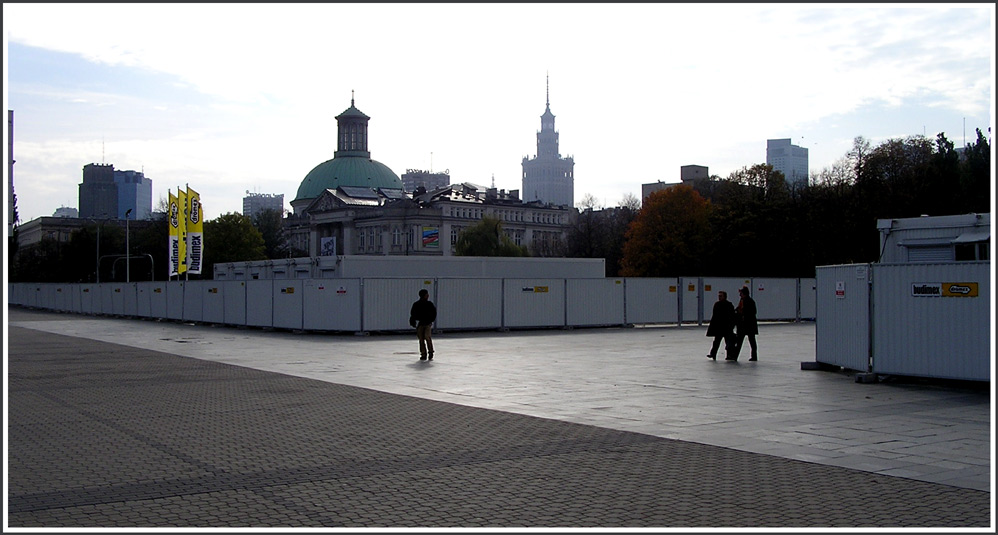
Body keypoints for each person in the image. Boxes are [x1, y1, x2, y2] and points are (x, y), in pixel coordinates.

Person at [730, 286, 758, 361]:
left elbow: (752, 312)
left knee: (742, 341)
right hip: (747, 325)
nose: (740, 295)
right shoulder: (744, 300)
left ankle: (735, 356)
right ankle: (752, 356)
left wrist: (740, 314)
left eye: (741, 293)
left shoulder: (748, 301)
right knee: (749, 341)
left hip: (746, 324)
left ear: (744, 294)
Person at [705, 290, 735, 360]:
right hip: (720, 327)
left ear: (725, 297)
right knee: (717, 342)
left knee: (727, 342)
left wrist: (731, 326)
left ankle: (728, 355)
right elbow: (714, 316)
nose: (719, 297)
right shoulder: (717, 304)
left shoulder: (728, 305)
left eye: (720, 296)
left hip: (726, 327)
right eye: (719, 296)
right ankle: (713, 354)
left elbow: (731, 316)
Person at [409, 288, 437, 361]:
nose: (428, 296)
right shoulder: (417, 304)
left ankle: (430, 352)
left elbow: (434, 313)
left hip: (427, 323)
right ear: (424, 295)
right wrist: (413, 321)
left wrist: (431, 320)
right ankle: (423, 354)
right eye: (426, 294)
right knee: (421, 339)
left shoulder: (429, 304)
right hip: (421, 323)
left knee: (427, 337)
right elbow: (413, 314)